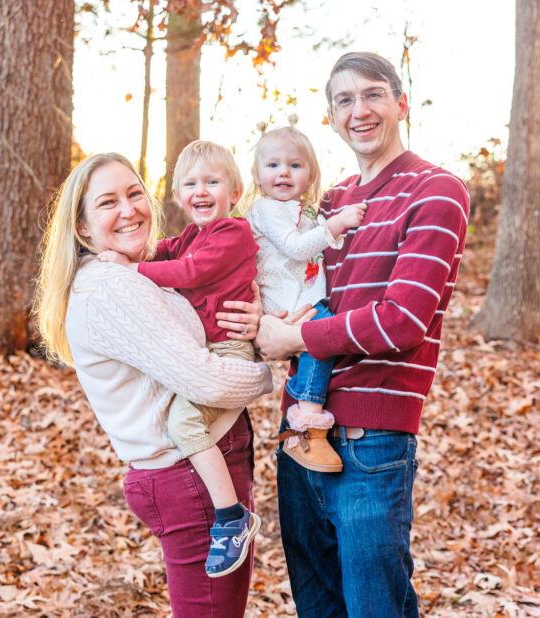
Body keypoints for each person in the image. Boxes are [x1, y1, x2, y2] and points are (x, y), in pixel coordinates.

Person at [256, 52, 470, 617]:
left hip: (370, 439)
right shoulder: (329, 204)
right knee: (318, 607)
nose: (360, 110)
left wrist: (296, 339)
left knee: (376, 609)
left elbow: (403, 320)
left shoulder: (436, 191)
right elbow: (277, 279)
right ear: (331, 118)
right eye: (344, 100)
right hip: (299, 434)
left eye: (373, 94)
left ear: (401, 104)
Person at [34, 152, 273, 617]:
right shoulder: (112, 285)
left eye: (134, 193)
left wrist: (251, 319)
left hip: (199, 469)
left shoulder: (137, 271)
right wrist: (267, 366)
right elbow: (205, 379)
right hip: (190, 480)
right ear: (83, 228)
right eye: (107, 202)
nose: (128, 210)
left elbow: (207, 315)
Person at [98, 140, 261, 578]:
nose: (200, 190)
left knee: (183, 423)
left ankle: (231, 516)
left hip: (229, 345)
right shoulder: (192, 235)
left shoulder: (232, 233)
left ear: (236, 190)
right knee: (183, 417)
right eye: (190, 183)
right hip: (207, 349)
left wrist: (131, 269)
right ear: (177, 195)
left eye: (212, 181)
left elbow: (191, 272)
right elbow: (165, 251)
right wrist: (116, 255)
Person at [244, 117, 366, 472]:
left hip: (304, 297)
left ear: (309, 176)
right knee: (322, 332)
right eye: (273, 165)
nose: (284, 172)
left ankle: (303, 415)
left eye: (295, 165)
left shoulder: (306, 209)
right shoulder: (266, 209)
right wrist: (338, 223)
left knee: (321, 335)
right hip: (284, 301)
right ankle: (309, 420)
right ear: (257, 175)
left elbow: (321, 251)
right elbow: (296, 248)